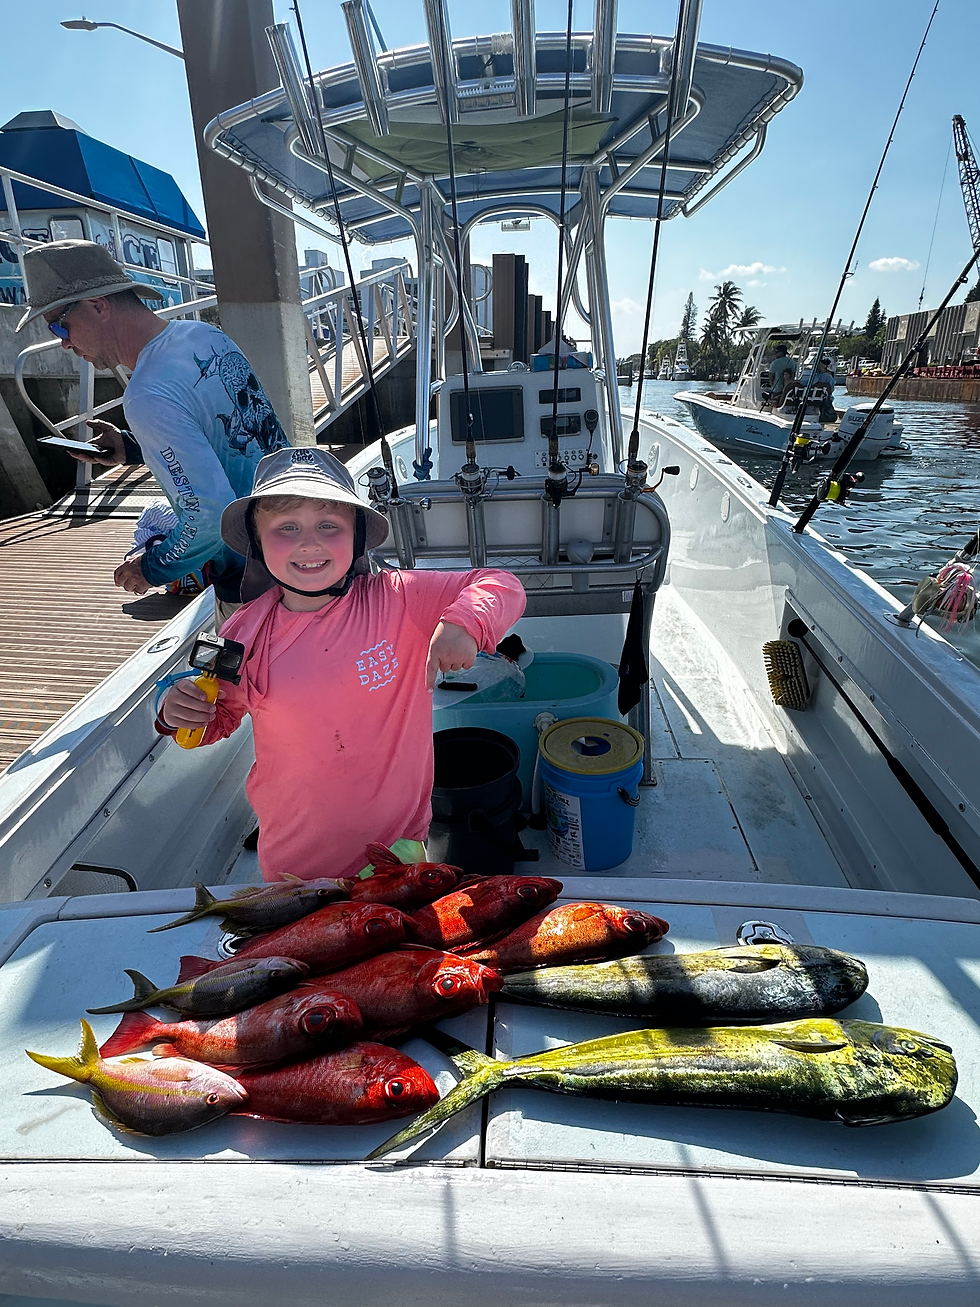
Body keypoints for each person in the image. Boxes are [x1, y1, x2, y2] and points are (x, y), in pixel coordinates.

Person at [157, 447, 527, 882]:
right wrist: (176, 709)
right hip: (292, 869)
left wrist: (464, 623)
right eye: (286, 527)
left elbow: (500, 583)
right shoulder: (241, 633)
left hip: (396, 855)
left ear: (356, 537)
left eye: (329, 525)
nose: (308, 542)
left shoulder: (400, 599)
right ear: (257, 541)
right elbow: (214, 720)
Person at [17, 239, 289, 626]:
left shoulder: (145, 394)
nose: (64, 342)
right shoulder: (205, 337)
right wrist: (130, 447)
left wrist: (152, 567)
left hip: (255, 578)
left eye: (61, 325)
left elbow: (210, 517)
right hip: (298, 532)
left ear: (97, 306)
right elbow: (236, 431)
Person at [813, 357, 838, 424]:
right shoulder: (828, 377)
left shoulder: (813, 376)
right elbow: (831, 389)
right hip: (824, 399)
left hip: (811, 399)